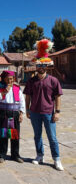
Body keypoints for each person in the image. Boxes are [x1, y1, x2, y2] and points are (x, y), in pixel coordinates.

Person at [23, 39, 64, 171]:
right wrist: (27, 110)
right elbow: (27, 96)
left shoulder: (53, 81)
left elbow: (57, 97)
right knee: (37, 136)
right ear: (36, 66)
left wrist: (57, 112)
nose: (41, 67)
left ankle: (56, 159)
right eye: (39, 65)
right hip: (35, 113)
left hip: (49, 113)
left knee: (52, 137)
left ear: (46, 66)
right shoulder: (31, 81)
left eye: (43, 65)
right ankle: (39, 155)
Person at [0, 70, 25, 163]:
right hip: (3, 113)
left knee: (15, 135)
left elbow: (22, 101)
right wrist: (3, 93)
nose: (10, 81)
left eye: (11, 79)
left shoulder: (17, 88)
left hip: (15, 113)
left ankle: (15, 155)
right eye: (8, 79)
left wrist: (21, 113)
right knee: (2, 135)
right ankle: (1, 155)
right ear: (4, 79)